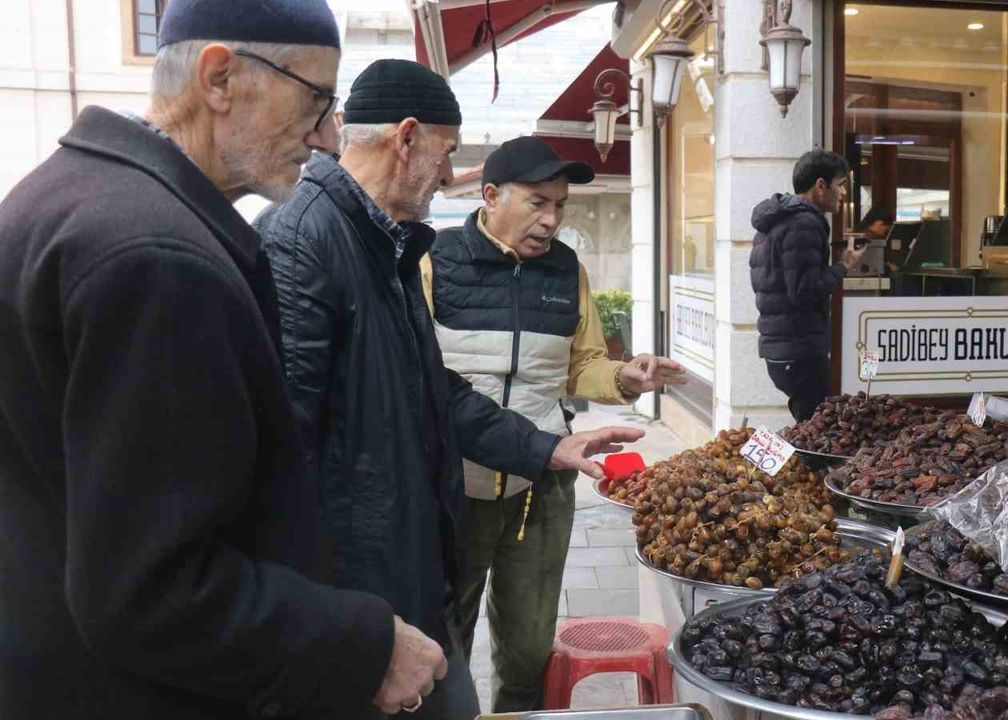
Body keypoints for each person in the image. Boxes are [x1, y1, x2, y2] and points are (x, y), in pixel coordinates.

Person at [0, 2, 450, 718]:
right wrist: (365, 646)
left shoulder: (65, 196)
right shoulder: (156, 256)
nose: (324, 133)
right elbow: (155, 591)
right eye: (314, 100)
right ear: (219, 78)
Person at [255, 61, 643, 720]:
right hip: (373, 583)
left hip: (421, 546)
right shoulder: (305, 240)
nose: (446, 174)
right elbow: (287, 464)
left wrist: (548, 448)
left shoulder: (388, 246)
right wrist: (354, 627)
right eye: (447, 153)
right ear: (407, 138)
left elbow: (432, 389)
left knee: (490, 668)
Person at [421, 136, 686, 712]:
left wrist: (623, 377)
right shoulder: (435, 260)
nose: (551, 219)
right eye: (538, 202)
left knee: (527, 647)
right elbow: (419, 379)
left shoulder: (567, 270)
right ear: (491, 196)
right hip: (451, 484)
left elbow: (581, 364)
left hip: (540, 484)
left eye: (560, 205)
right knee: (442, 644)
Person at [750, 149, 866, 423]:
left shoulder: (778, 218)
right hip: (799, 350)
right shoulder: (804, 223)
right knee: (816, 429)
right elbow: (805, 291)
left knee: (809, 426)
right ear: (821, 185)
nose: (843, 194)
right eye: (840, 185)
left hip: (781, 349)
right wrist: (844, 266)